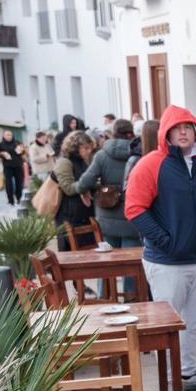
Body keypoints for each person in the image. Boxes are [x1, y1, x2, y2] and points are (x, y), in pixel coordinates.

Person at [125, 105, 196, 391]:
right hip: (165, 263)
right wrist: (166, 242)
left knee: (194, 322)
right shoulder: (150, 165)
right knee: (168, 328)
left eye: (189, 126)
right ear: (165, 132)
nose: (183, 132)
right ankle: (170, 387)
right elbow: (134, 209)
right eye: (177, 127)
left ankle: (189, 373)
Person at [78, 119, 142, 294]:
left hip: (107, 219)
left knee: (105, 264)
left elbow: (84, 182)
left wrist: (84, 191)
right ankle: (132, 300)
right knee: (131, 265)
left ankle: (104, 297)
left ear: (113, 133)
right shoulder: (139, 154)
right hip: (132, 219)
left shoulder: (102, 155)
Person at [52, 131, 97, 250]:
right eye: (85, 148)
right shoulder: (64, 162)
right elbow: (68, 188)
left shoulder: (83, 161)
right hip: (69, 217)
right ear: (75, 147)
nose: (89, 151)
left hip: (82, 214)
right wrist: (85, 186)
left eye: (90, 148)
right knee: (71, 255)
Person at [0, 129, 26, 205]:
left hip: (18, 165)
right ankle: (10, 200)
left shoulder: (17, 142)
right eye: (7, 135)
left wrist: (21, 150)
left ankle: (19, 197)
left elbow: (23, 151)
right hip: (7, 166)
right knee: (8, 183)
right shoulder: (1, 144)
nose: (9, 136)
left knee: (19, 182)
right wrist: (3, 154)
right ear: (4, 136)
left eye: (10, 135)